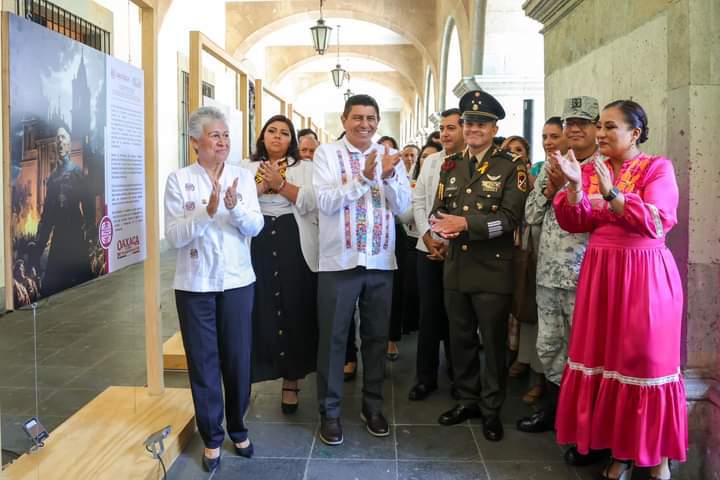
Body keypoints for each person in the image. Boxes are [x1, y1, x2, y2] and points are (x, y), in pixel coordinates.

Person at [552, 100, 686, 480]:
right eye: (600, 126)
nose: (600, 134)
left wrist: (613, 196)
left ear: (635, 133)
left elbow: (659, 221)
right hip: (601, 276)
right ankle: (621, 452)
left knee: (645, 363)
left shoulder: (657, 167)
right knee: (607, 363)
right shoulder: (593, 169)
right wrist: (575, 187)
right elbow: (572, 220)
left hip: (644, 276)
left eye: (610, 127)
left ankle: (657, 456)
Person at [164, 106, 264, 472]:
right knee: (203, 363)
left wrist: (234, 207)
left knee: (238, 358)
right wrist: (206, 212)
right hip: (194, 285)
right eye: (214, 135)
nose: (222, 142)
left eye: (225, 135)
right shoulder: (179, 180)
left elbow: (255, 226)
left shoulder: (244, 177)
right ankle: (212, 437)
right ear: (195, 142)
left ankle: (238, 428)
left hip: (238, 282)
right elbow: (174, 236)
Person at [430, 90, 528, 442]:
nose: (473, 128)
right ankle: (467, 400)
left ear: (493, 127)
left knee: (493, 343)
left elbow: (510, 219)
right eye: (468, 122)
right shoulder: (451, 164)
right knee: (460, 341)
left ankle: (491, 410)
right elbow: (438, 209)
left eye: (480, 123)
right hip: (456, 267)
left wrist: (464, 225)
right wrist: (437, 226)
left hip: (492, 270)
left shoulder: (510, 166)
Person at [313, 94, 411, 446]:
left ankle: (373, 407)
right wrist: (364, 179)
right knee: (333, 340)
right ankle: (331, 413)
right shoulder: (327, 154)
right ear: (343, 120)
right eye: (357, 117)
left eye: (370, 118)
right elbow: (325, 201)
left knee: (374, 339)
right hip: (339, 262)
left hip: (381, 261)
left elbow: (401, 207)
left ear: (377, 121)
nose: (364, 124)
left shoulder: (388, 157)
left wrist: (384, 177)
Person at [516, 98, 601, 446]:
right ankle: (553, 413)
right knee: (549, 347)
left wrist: (566, 191)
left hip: (584, 277)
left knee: (582, 354)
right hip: (548, 276)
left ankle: (584, 426)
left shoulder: (603, 169)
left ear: (596, 127)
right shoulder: (553, 165)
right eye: (570, 124)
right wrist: (549, 190)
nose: (575, 129)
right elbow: (532, 215)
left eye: (583, 122)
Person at [243, 115, 319, 415]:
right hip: (258, 237)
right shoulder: (245, 167)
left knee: (293, 306)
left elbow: (312, 201)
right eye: (271, 131)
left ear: (293, 140)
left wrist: (281, 184)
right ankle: (252, 375)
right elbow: (237, 202)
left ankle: (292, 380)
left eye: (284, 133)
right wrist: (263, 185)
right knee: (260, 307)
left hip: (293, 237)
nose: (277, 137)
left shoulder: (306, 168)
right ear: (262, 137)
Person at [408, 108, 464, 401]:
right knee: (428, 316)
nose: (445, 133)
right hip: (426, 248)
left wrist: (448, 242)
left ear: (466, 129)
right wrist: (428, 237)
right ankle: (425, 377)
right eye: (442, 128)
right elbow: (419, 201)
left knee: (458, 316)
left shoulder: (471, 163)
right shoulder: (431, 162)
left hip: (459, 251)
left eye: (452, 127)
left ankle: (460, 376)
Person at [501, 135, 546, 405]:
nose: (514, 154)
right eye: (509, 150)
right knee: (513, 307)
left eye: (519, 150)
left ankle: (537, 375)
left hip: (532, 249)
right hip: (508, 249)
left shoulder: (537, 173)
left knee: (529, 308)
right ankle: (517, 356)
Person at [33, 125, 91, 297]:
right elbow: (47, 217)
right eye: (57, 138)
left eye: (63, 137)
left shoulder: (77, 172)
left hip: (76, 238)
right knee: (51, 289)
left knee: (84, 288)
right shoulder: (51, 179)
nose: (60, 141)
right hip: (58, 239)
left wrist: (89, 230)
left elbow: (87, 205)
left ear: (69, 144)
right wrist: (38, 248)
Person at [387, 143, 423, 361]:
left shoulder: (403, 178)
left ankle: (391, 338)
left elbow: (403, 209)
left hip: (401, 234)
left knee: (396, 290)